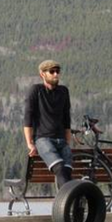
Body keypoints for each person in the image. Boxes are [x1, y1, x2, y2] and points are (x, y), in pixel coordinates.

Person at [23, 60, 74, 188]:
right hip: (43, 140)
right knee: (60, 168)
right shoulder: (36, 90)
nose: (56, 74)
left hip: (62, 140)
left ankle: (70, 204)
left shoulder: (64, 91)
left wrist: (68, 142)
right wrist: (30, 144)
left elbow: (67, 119)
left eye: (57, 71)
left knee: (67, 172)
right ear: (42, 74)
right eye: (52, 72)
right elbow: (28, 118)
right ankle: (71, 201)